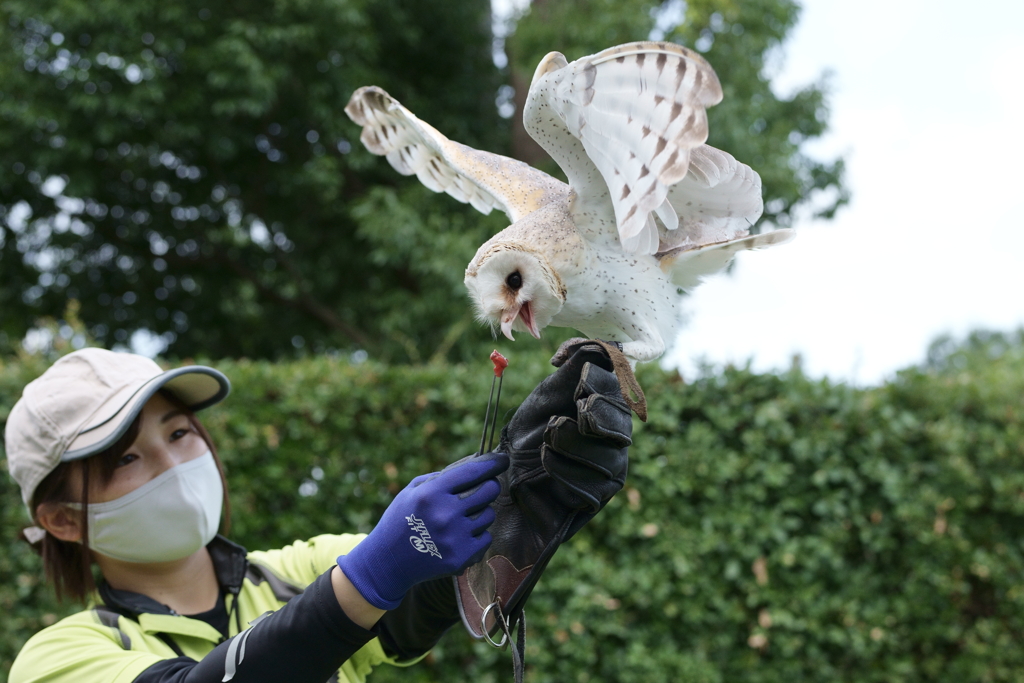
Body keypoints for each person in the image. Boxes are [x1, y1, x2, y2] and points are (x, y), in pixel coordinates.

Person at [4, 345, 631, 683]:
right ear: (62, 520)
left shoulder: (293, 573)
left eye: (180, 433)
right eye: (126, 460)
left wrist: (515, 508)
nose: (172, 465)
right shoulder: (59, 658)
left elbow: (421, 603)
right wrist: (367, 580)